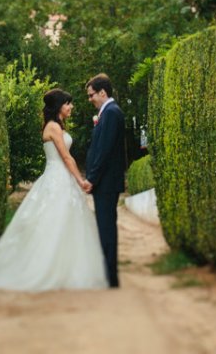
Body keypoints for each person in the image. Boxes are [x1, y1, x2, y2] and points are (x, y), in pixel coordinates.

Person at [0, 88, 108, 291]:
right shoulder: (53, 127)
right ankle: (47, 268)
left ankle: (64, 269)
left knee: (64, 223)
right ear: (59, 106)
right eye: (68, 103)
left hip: (60, 178)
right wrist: (81, 180)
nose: (71, 106)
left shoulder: (55, 126)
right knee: (54, 222)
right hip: (58, 179)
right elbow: (66, 157)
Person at [82, 73, 128, 287]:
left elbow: (104, 150)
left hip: (106, 183)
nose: (89, 99)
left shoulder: (111, 113)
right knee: (104, 227)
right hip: (106, 182)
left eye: (91, 95)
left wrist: (92, 178)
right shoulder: (108, 112)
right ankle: (108, 274)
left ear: (102, 92)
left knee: (106, 228)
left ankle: (110, 277)